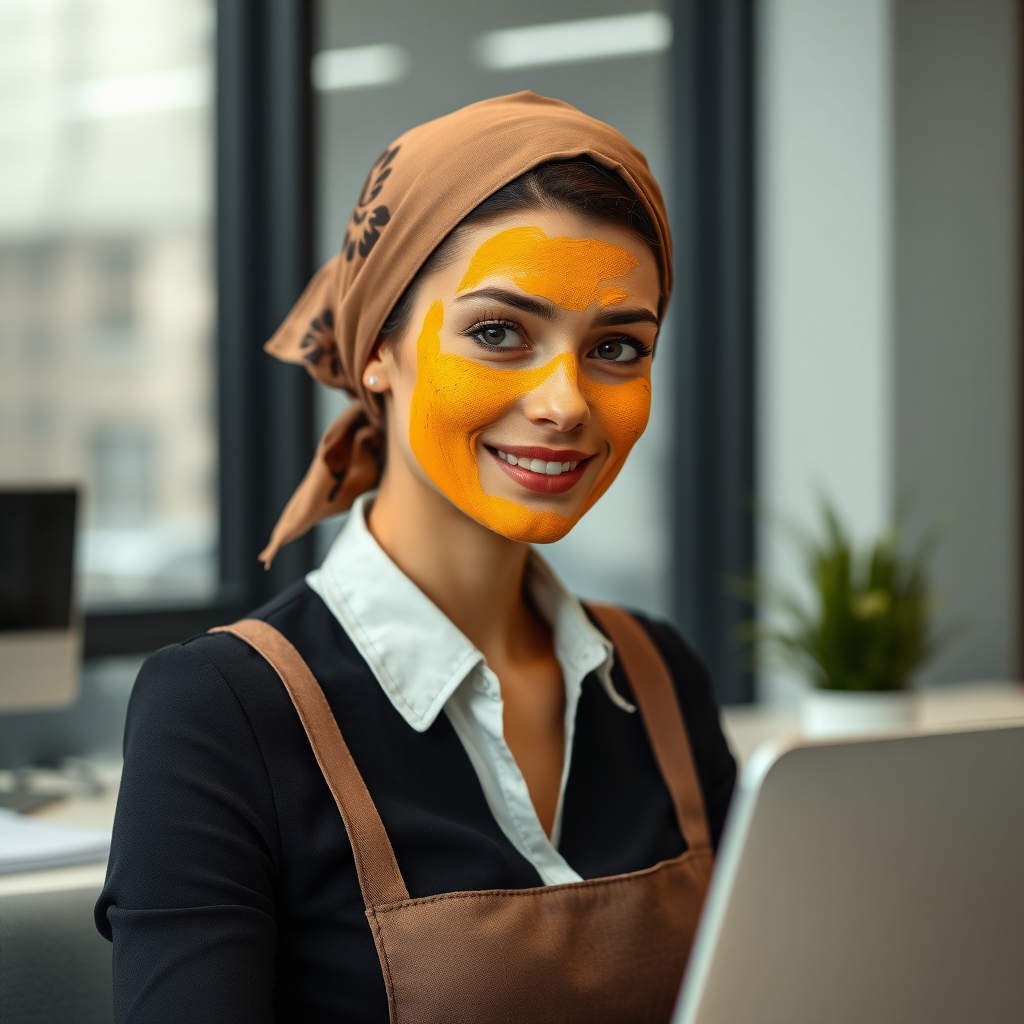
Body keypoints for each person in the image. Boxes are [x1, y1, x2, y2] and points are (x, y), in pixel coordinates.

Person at [96, 92, 737, 1024]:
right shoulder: (223, 710)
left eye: (616, 348)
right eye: (497, 332)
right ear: (380, 353)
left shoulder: (660, 677)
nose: (566, 403)